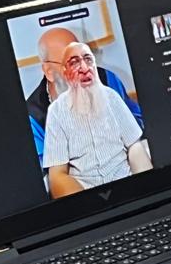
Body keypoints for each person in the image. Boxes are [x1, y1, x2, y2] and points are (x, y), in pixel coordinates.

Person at [42, 42, 152, 197]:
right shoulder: (56, 111)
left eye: (88, 60)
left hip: (126, 186)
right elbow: (57, 174)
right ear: (65, 73)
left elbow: (134, 145)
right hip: (86, 194)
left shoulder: (112, 97)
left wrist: (145, 189)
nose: (84, 68)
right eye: (74, 63)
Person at [26, 25, 142, 168]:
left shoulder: (106, 79)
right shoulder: (33, 117)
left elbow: (137, 122)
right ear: (49, 71)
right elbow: (47, 170)